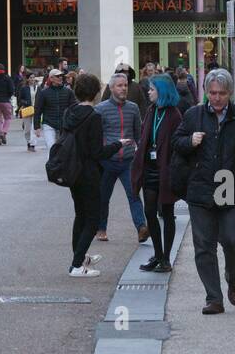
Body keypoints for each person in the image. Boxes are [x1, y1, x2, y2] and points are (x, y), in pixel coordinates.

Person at [170, 68, 235, 313]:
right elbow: (176, 143)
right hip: (200, 190)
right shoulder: (193, 115)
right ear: (206, 92)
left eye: (222, 93)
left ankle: (233, 279)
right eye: (212, 93)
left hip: (230, 188)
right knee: (203, 246)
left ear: (230, 93)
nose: (217, 98)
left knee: (232, 241)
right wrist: (190, 141)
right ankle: (214, 297)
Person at [64, 73, 133, 277]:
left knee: (81, 215)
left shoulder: (70, 112)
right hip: (88, 173)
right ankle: (77, 265)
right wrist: (117, 144)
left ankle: (79, 256)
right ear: (95, 93)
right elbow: (97, 152)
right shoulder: (93, 116)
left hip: (72, 170)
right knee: (93, 219)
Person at [130, 75, 183, 272]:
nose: (148, 92)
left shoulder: (174, 114)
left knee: (167, 213)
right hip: (149, 169)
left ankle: (166, 259)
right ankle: (158, 254)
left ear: (162, 91)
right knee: (150, 212)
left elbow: (177, 144)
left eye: (152, 89)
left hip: (165, 170)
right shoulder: (151, 111)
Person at [94, 73, 147, 243]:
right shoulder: (100, 109)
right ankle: (101, 228)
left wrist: (141, 155)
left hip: (128, 161)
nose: (124, 88)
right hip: (107, 161)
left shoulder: (133, 108)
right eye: (119, 85)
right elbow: (95, 136)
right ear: (111, 88)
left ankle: (141, 228)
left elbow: (139, 134)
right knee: (103, 197)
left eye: (125, 85)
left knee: (134, 195)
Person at [34, 68, 77, 151]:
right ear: (51, 78)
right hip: (49, 124)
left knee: (63, 150)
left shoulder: (68, 92)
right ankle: (51, 163)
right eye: (57, 76)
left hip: (64, 125)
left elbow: (74, 108)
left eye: (61, 76)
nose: (60, 77)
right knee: (51, 147)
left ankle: (59, 164)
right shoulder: (44, 93)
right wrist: (37, 127)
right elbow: (38, 110)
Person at [18, 73, 42, 151]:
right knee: (27, 129)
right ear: (28, 79)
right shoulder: (24, 88)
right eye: (31, 78)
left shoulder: (38, 88)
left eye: (33, 78)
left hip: (36, 110)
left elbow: (42, 99)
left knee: (35, 128)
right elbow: (19, 99)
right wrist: (25, 102)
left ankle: (33, 145)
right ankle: (29, 142)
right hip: (27, 110)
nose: (32, 79)